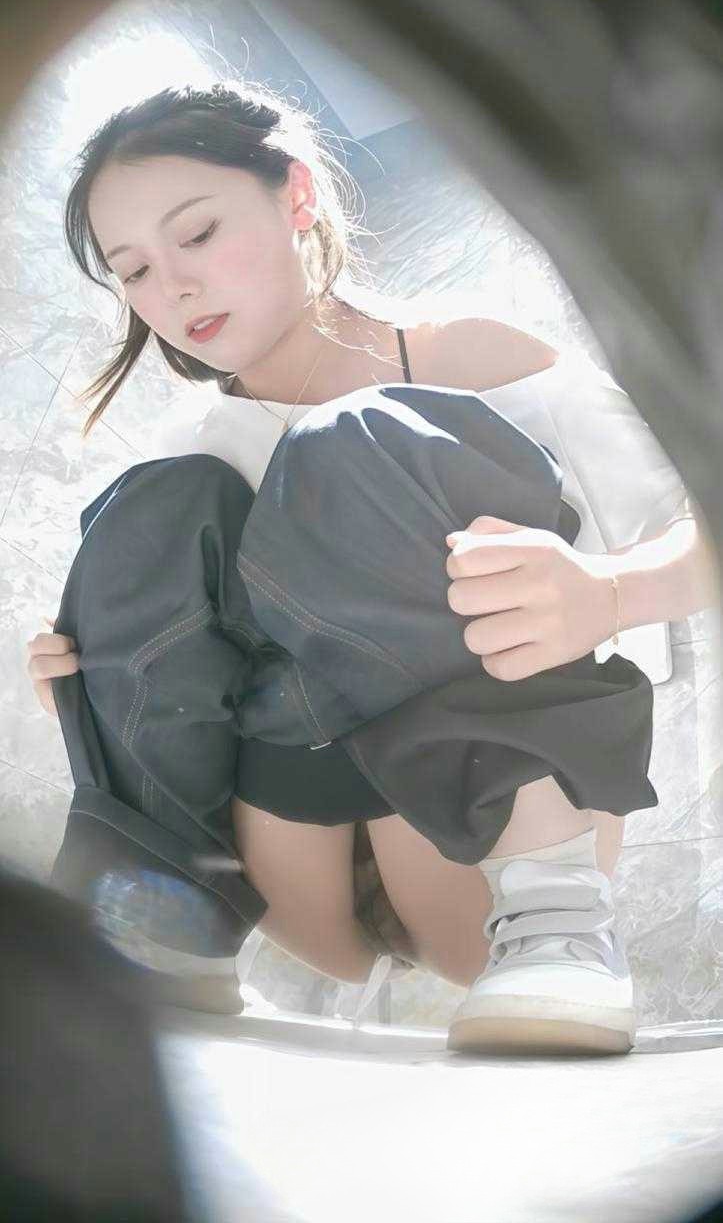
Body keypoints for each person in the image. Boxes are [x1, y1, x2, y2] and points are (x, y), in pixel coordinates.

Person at [26, 80, 714, 1055]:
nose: (171, 288)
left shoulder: (475, 358)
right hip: (291, 866)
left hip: (490, 847)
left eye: (197, 234)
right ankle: (157, 926)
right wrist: (100, 676)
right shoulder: (194, 457)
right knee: (152, 507)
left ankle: (559, 927)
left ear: (297, 195)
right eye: (133, 270)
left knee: (355, 443)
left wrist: (607, 592)